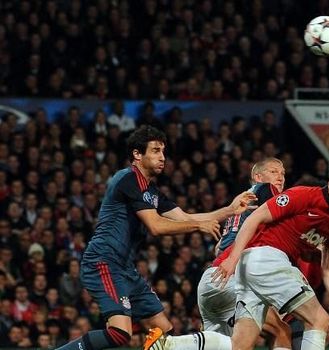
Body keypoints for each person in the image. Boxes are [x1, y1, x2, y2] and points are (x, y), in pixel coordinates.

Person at [56, 125, 256, 350]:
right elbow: (156, 226)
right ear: (137, 154)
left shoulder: (150, 191)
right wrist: (199, 226)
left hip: (124, 267)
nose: (162, 157)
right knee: (121, 333)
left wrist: (230, 209)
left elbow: (183, 217)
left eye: (163, 151)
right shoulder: (127, 179)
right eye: (155, 151)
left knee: (164, 333)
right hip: (103, 262)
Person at [146, 161, 329, 350]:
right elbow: (254, 218)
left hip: (238, 272)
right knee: (318, 319)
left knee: (240, 345)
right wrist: (231, 259)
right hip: (264, 260)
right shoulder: (300, 195)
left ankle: (169, 345)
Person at [145, 158, 292, 350]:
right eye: (274, 172)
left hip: (212, 278)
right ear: (258, 177)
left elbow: (219, 247)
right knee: (281, 332)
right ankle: (168, 344)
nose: (280, 177)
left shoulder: (241, 204)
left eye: (283, 173)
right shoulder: (264, 191)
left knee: (229, 346)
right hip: (235, 278)